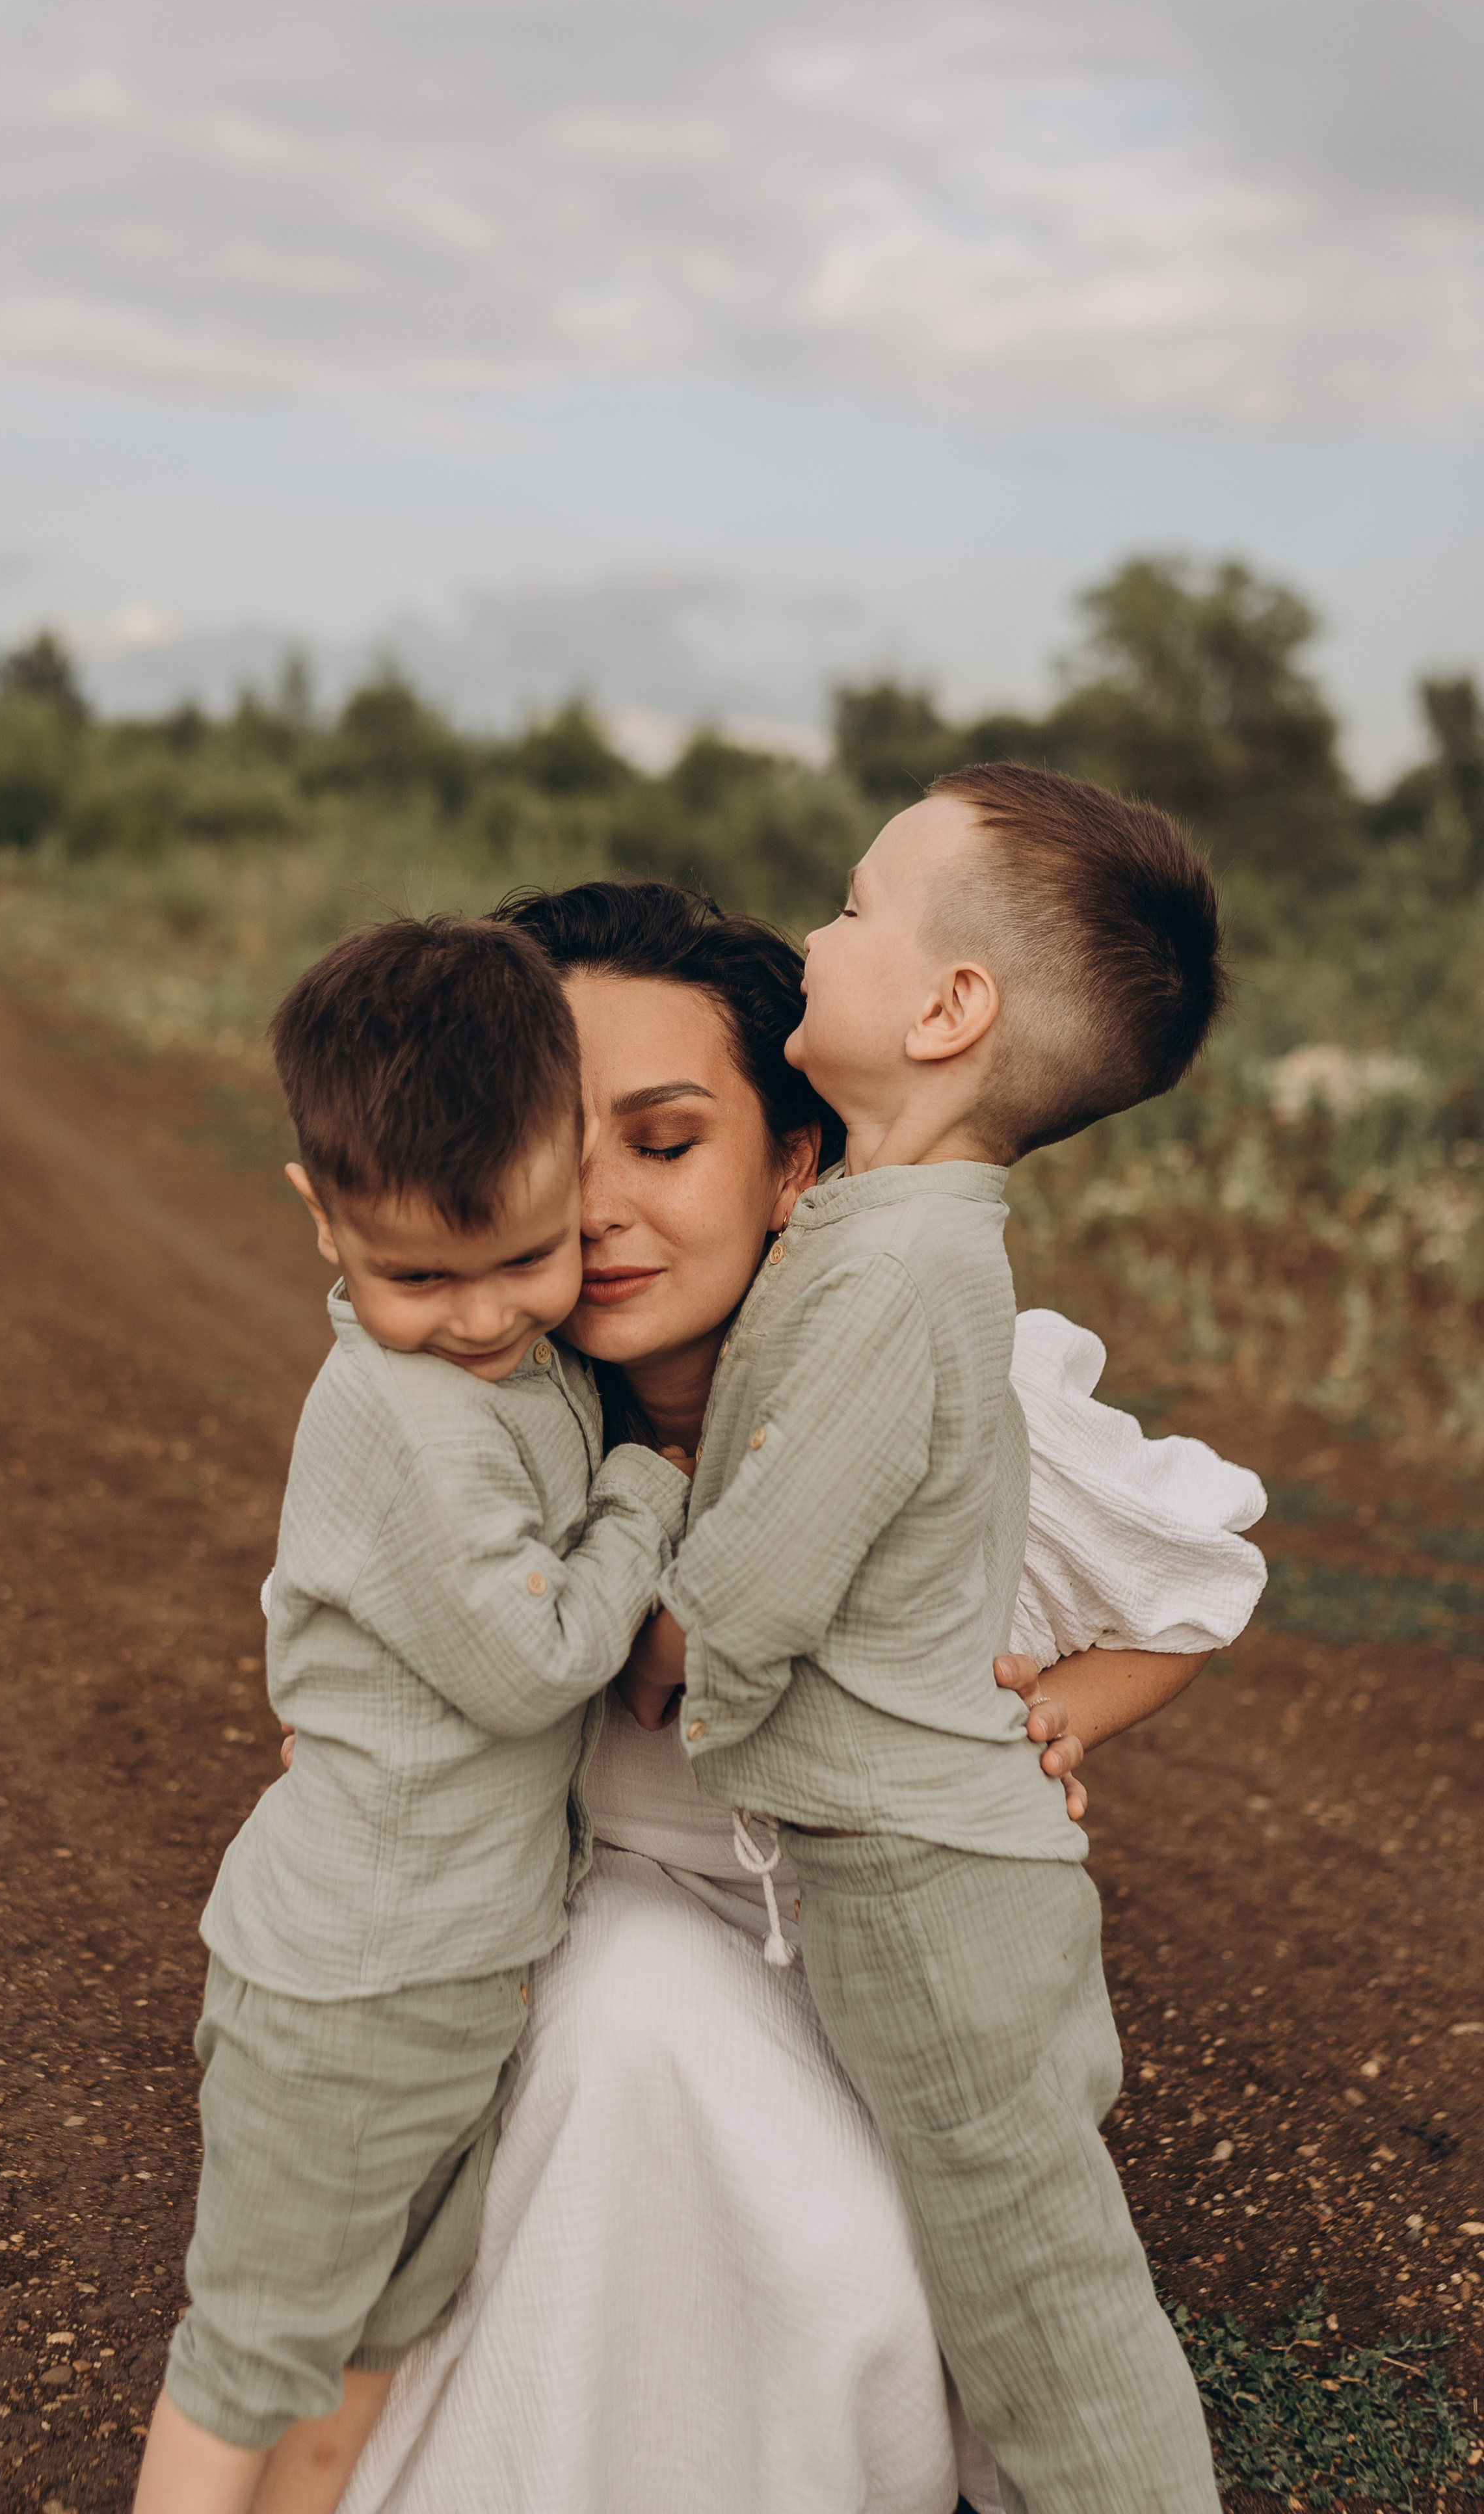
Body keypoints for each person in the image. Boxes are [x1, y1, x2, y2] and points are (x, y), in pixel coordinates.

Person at [340, 871, 1265, 2514]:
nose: (600, 1203)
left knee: (905, 2275)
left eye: (666, 1138)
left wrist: (1056, 1708)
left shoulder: (905, 1383)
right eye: (555, 1143)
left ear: (792, 1167)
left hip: (878, 1960)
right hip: (597, 1945)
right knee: (633, 2030)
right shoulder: (484, 1424)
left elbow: (1195, 1582)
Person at [626, 763, 1228, 2512]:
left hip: (931, 1876)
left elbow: (775, 1551)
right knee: (980, 2246)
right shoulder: (875, 1232)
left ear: (951, 1007)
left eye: (854, 901)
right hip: (916, 1854)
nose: (816, 928)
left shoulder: (899, 1274)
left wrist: (661, 1652)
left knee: (1039, 2285)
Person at [132, 919, 689, 2514]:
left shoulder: (517, 1367)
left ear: (569, 1167)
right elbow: (535, 1661)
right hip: (346, 1992)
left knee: (378, 2336)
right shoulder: (412, 1419)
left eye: (523, 1259)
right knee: (251, 2354)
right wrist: (649, 1492)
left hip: (449, 1971)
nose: (478, 1317)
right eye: (415, 1278)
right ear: (320, 1214)